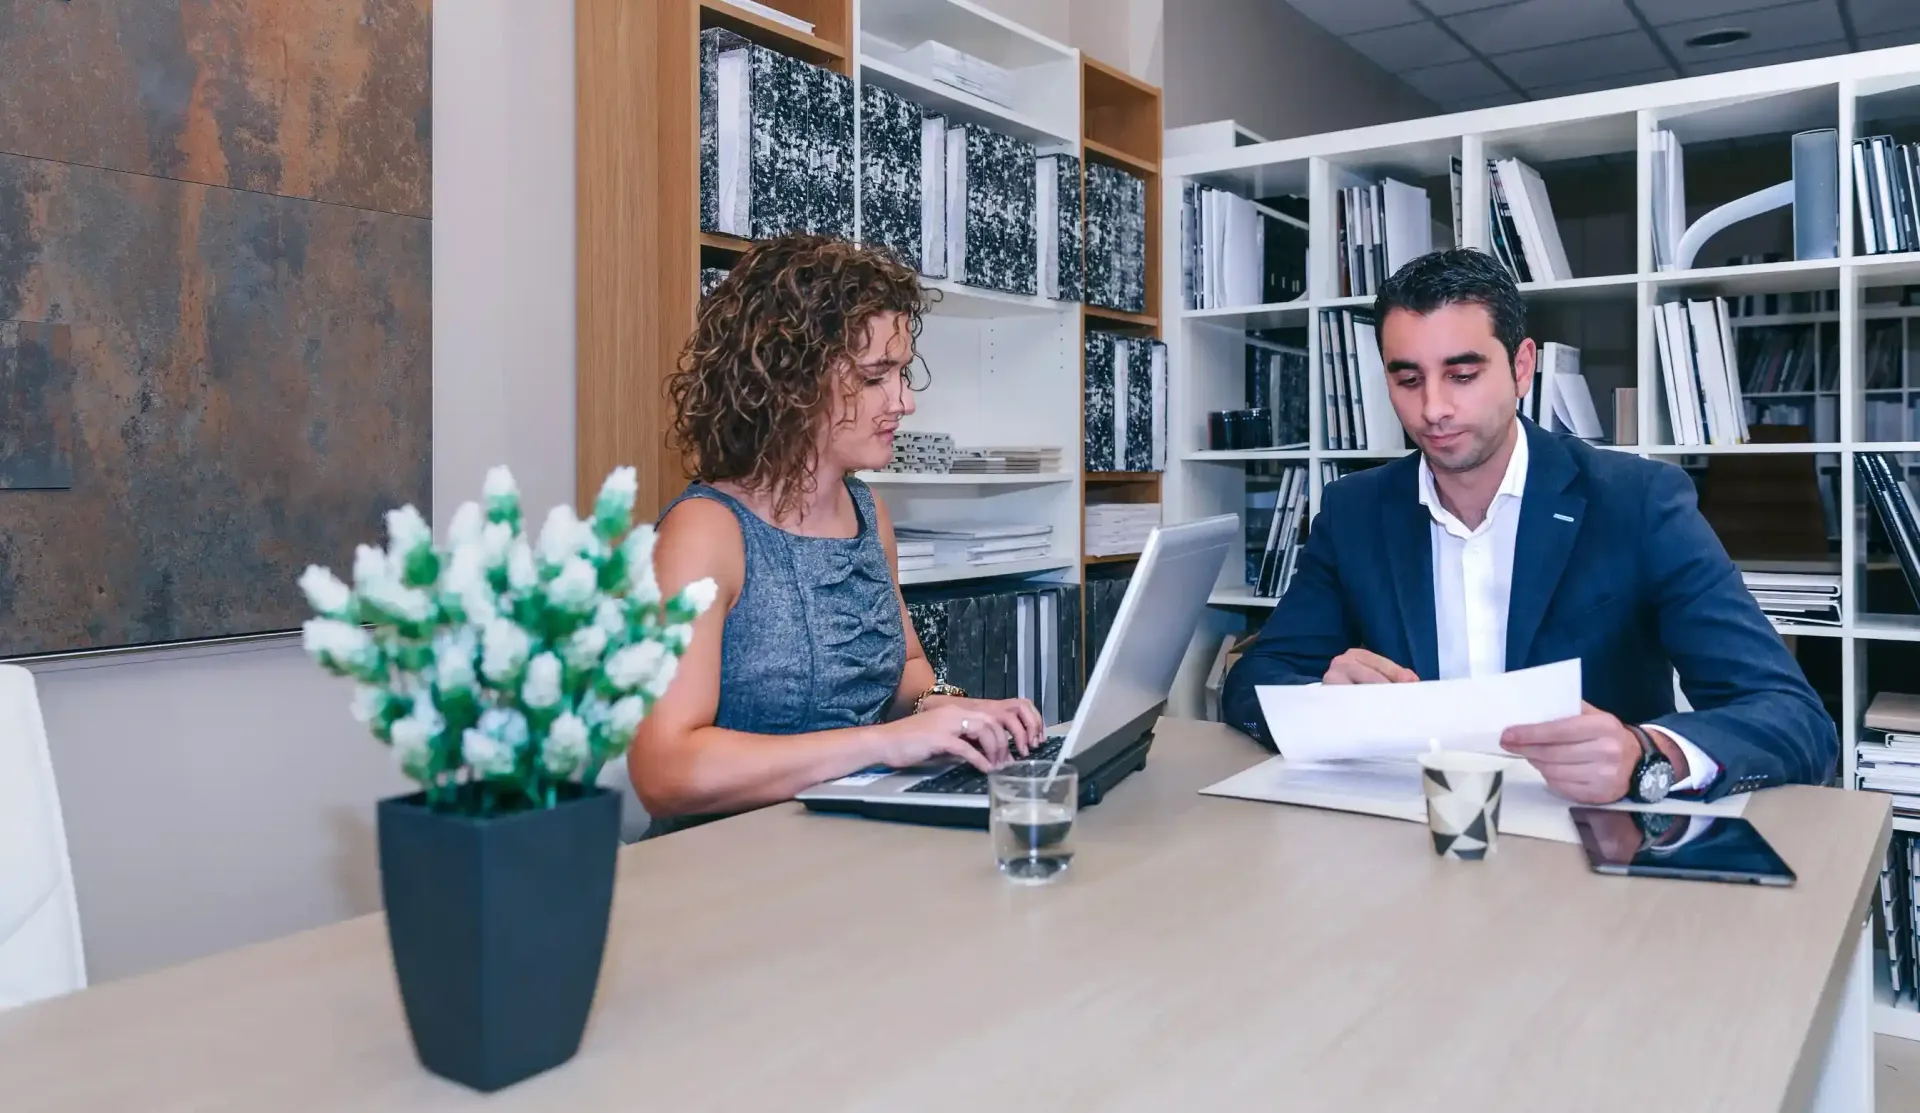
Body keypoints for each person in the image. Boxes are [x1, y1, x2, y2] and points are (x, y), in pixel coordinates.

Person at [1221, 248, 1836, 805]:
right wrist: (1324, 700)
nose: (1433, 408)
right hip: (1407, 837)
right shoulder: (1355, 511)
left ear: (1521, 367)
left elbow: (1793, 718)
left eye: (1463, 375)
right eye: (1407, 379)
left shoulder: (1637, 502)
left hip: (1585, 847)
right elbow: (1253, 684)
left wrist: (1647, 754)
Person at [628, 234, 1042, 834]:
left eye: (903, 373)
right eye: (877, 376)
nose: (904, 402)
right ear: (792, 384)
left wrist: (949, 709)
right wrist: (887, 743)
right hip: (728, 865)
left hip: (848, 839)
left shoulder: (869, 513)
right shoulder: (703, 532)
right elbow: (665, 772)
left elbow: (904, 666)